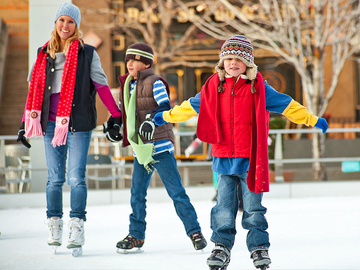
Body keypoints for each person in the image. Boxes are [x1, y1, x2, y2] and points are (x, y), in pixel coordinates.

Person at [149, 35, 329, 270]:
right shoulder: (214, 87)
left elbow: (288, 105)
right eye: (229, 58)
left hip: (251, 159)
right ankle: (221, 246)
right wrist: (168, 116)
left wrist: (311, 119)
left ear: (248, 63)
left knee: (253, 208)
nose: (233, 63)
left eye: (239, 59)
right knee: (223, 207)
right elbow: (190, 106)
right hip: (224, 157)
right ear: (222, 61)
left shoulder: (258, 88)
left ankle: (258, 247)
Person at [16, 2, 122, 256]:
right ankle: (54, 223)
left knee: (76, 177)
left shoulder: (88, 53)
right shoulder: (43, 54)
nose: (65, 26)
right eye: (62, 20)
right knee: (54, 179)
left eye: (71, 22)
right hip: (50, 124)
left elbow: (102, 86)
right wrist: (24, 124)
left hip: (79, 123)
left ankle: (77, 224)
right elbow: (33, 93)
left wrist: (116, 115)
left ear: (77, 26)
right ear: (56, 23)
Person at [106, 42, 207, 252]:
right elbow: (121, 112)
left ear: (146, 63)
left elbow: (165, 106)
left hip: (159, 147)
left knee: (176, 192)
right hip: (140, 149)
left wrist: (153, 119)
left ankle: (195, 232)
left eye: (134, 60)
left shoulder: (155, 82)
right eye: (127, 60)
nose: (129, 64)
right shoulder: (126, 85)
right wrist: (113, 124)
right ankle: (136, 235)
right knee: (137, 194)